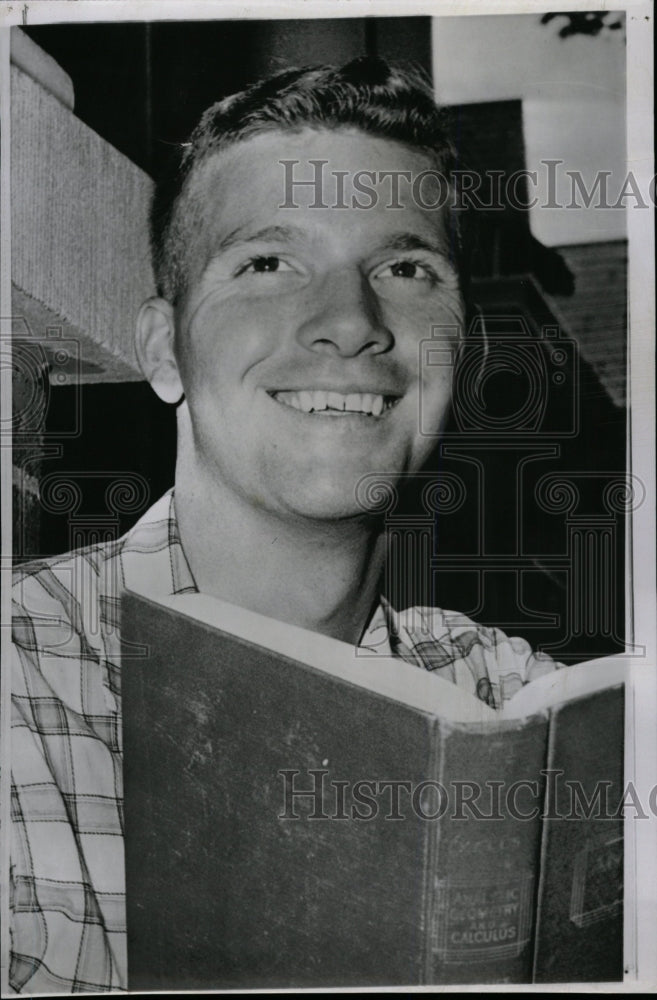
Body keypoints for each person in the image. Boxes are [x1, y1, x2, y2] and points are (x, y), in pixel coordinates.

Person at [10, 56, 561, 994]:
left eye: (404, 266)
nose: (350, 322)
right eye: (267, 263)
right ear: (163, 348)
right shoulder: (22, 679)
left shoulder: (520, 709)